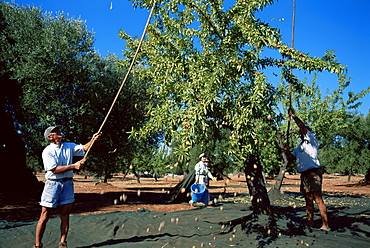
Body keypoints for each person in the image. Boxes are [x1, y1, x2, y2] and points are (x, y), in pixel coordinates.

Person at [34, 126, 101, 248]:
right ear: (50, 137)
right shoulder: (47, 151)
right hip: (52, 185)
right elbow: (54, 170)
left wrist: (93, 139)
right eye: (56, 131)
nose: (59, 132)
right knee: (45, 214)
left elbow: (84, 148)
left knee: (65, 214)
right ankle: (37, 245)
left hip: (68, 184)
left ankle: (63, 243)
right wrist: (73, 166)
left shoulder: (69, 146)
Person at [284, 109, 330, 231]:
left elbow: (302, 126)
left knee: (318, 198)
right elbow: (291, 157)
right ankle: (310, 222)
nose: (300, 132)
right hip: (304, 174)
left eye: (302, 131)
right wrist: (286, 150)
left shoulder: (311, 140)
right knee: (308, 199)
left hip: (313, 172)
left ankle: (325, 225)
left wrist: (293, 116)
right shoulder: (300, 147)